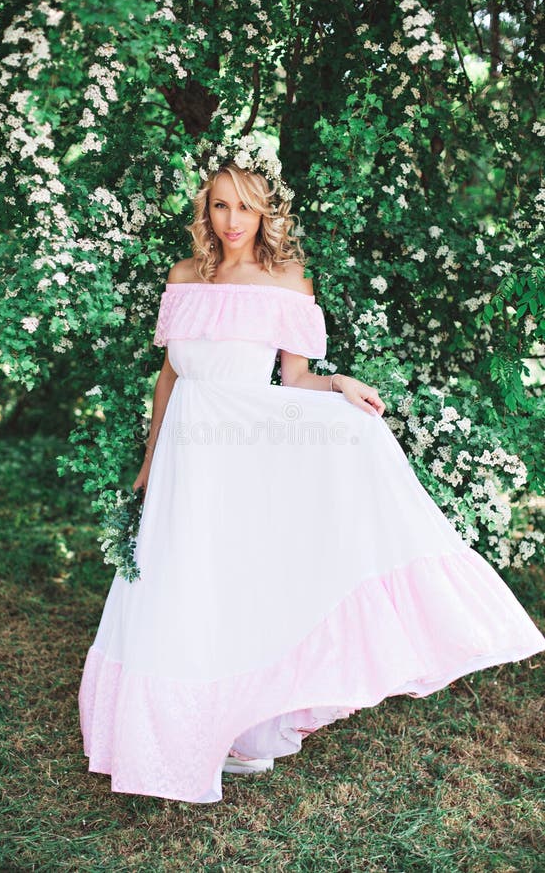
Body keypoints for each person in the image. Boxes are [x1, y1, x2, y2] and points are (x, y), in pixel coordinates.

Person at [78, 140, 545, 804]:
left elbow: (294, 377)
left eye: (243, 206)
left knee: (235, 581)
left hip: (243, 454)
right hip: (187, 450)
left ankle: (243, 729)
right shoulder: (185, 276)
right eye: (218, 205)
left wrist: (342, 385)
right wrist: (150, 458)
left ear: (265, 209)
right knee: (181, 580)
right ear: (204, 211)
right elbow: (171, 374)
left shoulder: (289, 280)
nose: (230, 219)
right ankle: (179, 736)